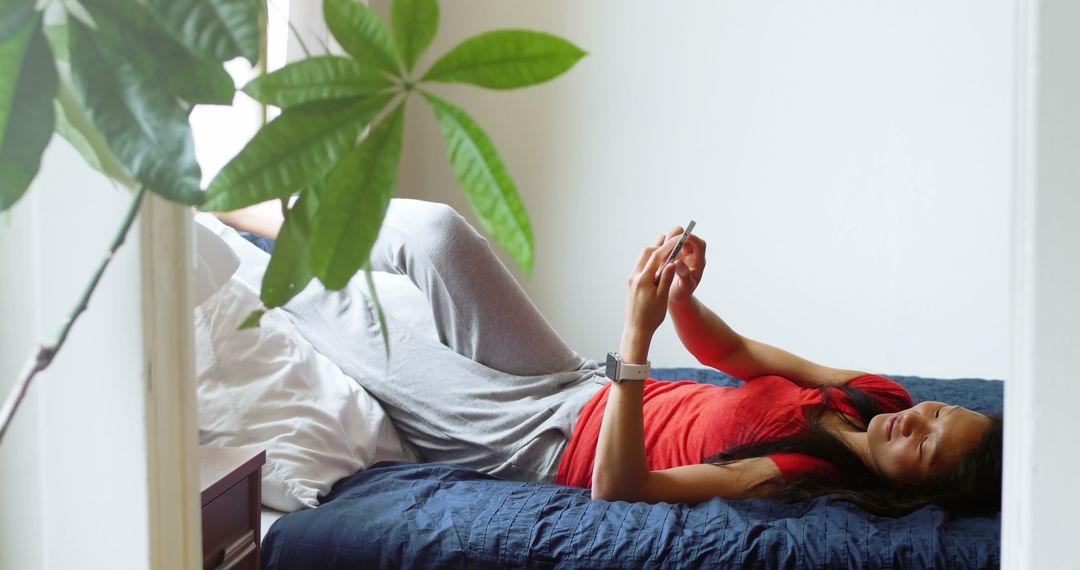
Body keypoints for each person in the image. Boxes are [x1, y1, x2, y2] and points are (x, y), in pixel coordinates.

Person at [217, 198, 1003, 518]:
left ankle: (203, 234)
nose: (918, 423)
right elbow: (733, 353)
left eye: (929, 450)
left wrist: (638, 339)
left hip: (536, 445)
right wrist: (685, 295)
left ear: (917, 494)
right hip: (571, 384)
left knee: (343, 312)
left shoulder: (800, 478)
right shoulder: (871, 395)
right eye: (938, 414)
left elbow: (619, 488)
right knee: (437, 235)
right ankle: (234, 204)